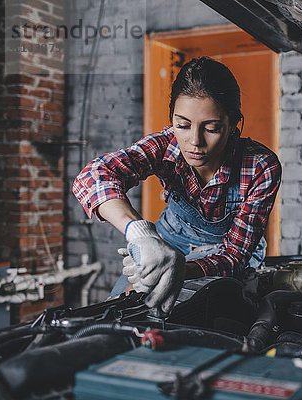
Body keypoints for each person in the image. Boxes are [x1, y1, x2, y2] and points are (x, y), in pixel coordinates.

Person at [73, 57, 282, 316]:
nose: (194, 141)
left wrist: (182, 269)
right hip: (169, 239)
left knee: (192, 314)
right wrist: (142, 235)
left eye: (212, 128)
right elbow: (93, 176)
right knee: (122, 306)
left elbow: (234, 256)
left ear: (233, 125)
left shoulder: (261, 167)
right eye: (182, 125)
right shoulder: (165, 146)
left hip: (225, 251)